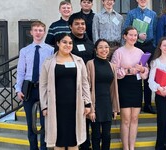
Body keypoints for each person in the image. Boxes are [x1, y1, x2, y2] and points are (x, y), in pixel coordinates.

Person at [39, 33, 92, 149]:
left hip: (75, 106)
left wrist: (87, 103)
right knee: (58, 141)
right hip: (56, 107)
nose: (68, 45)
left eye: (70, 43)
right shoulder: (48, 62)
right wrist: (44, 106)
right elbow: (43, 85)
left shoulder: (79, 61)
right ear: (58, 43)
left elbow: (85, 83)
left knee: (74, 140)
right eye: (64, 42)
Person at [15, 21, 53, 150]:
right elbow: (20, 71)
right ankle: (33, 147)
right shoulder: (25, 51)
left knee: (45, 122)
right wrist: (18, 89)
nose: (38, 32)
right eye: (35, 30)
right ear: (31, 32)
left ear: (44, 32)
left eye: (41, 30)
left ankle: (44, 147)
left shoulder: (50, 50)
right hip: (29, 89)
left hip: (44, 89)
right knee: (31, 123)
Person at [111, 26, 149, 150]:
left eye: (135, 35)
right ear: (125, 36)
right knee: (126, 119)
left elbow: (146, 70)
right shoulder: (118, 52)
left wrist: (142, 69)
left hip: (136, 85)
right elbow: (114, 70)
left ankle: (132, 147)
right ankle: (125, 147)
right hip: (124, 85)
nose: (133, 37)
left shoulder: (140, 52)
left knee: (134, 118)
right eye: (131, 35)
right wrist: (128, 70)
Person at [123, 0, 157, 114]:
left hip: (149, 46)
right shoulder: (131, 13)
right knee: (135, 73)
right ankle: (135, 102)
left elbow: (156, 31)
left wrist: (154, 46)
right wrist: (137, 36)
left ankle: (147, 104)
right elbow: (125, 29)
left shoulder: (153, 14)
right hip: (135, 45)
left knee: (147, 74)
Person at [67, 13, 95, 150]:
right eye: (77, 24)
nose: (80, 26)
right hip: (71, 87)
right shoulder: (66, 43)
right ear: (70, 26)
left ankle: (85, 145)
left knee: (87, 116)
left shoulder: (90, 44)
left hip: (87, 87)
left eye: (83, 24)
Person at [86, 39, 120, 150]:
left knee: (107, 135)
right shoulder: (90, 64)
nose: (104, 49)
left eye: (106, 47)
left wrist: (115, 108)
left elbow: (114, 88)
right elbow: (87, 87)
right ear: (96, 50)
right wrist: (91, 108)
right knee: (95, 135)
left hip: (107, 104)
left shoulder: (112, 66)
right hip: (95, 103)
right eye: (100, 47)